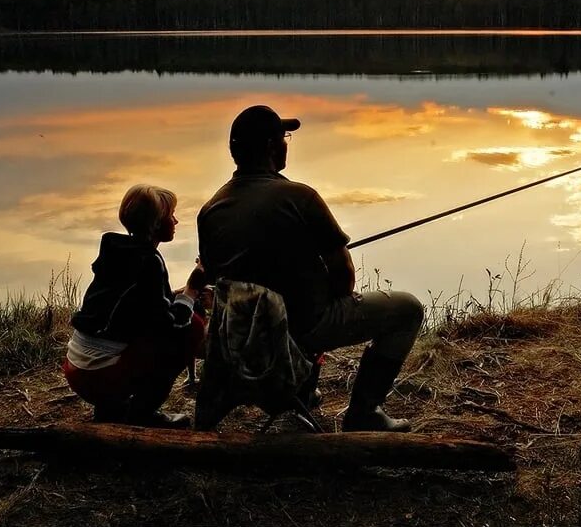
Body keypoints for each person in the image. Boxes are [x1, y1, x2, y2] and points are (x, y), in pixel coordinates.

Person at [197, 105, 424, 432]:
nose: (287, 143)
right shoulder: (299, 196)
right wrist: (338, 297)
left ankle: (301, 386)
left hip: (243, 333)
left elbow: (217, 275)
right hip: (304, 326)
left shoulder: (211, 209)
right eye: (284, 137)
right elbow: (344, 273)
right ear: (273, 148)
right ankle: (365, 411)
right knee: (407, 309)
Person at [64, 184, 208, 428]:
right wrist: (192, 290)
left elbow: (141, 305)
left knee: (178, 316)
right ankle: (143, 413)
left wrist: (182, 295)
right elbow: (172, 324)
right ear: (155, 224)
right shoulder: (148, 261)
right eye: (170, 215)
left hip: (76, 367)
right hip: (100, 375)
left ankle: (110, 409)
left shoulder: (116, 251)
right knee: (192, 326)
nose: (176, 220)